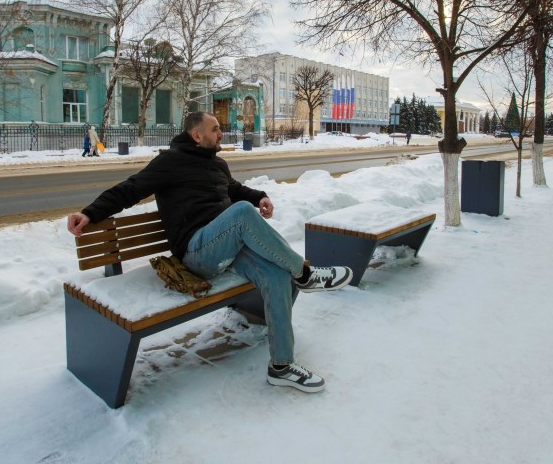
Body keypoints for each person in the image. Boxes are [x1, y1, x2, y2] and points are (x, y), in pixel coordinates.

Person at [67, 112, 353, 393]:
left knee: (277, 273)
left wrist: (258, 196)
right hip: (196, 253)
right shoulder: (169, 162)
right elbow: (129, 189)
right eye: (215, 129)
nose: (221, 133)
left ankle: (282, 366)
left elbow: (234, 189)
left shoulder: (216, 163)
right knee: (241, 214)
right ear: (197, 135)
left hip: (225, 248)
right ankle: (304, 273)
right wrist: (90, 212)